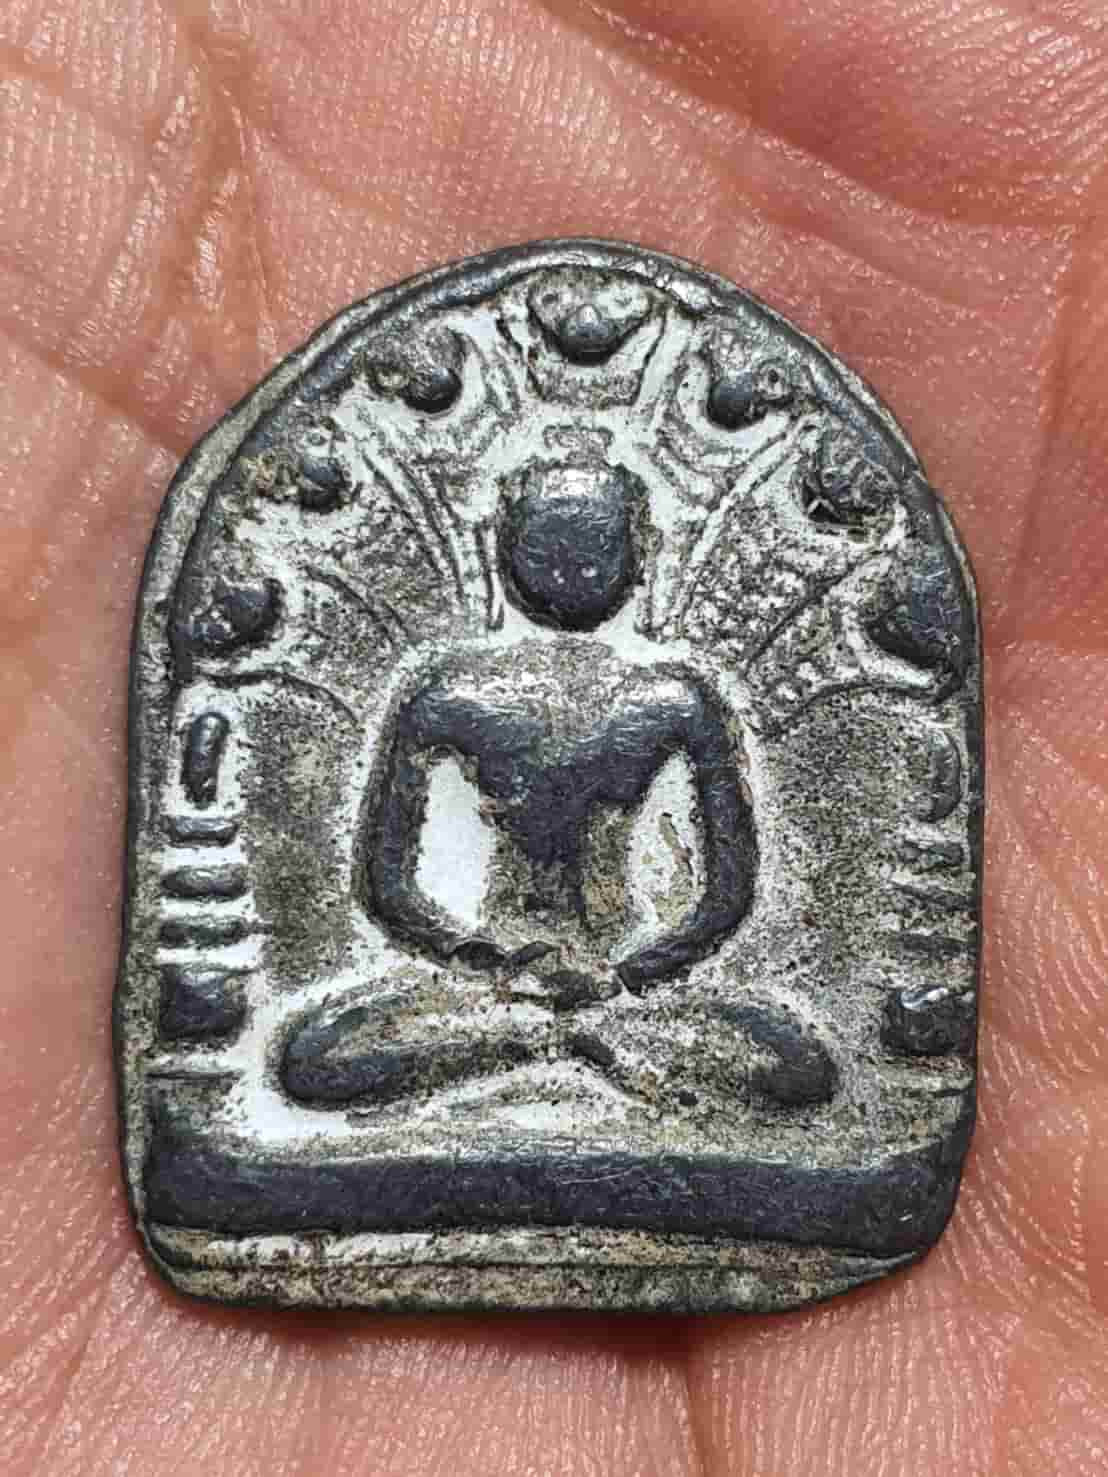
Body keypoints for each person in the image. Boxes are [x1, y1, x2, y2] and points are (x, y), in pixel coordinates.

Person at [3, 2, 1106, 1473]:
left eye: (594, 541)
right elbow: (393, 888)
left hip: (642, 1001)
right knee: (319, 1056)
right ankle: (545, 1090)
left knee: (790, 1065)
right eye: (547, 536)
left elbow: (722, 897)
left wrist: (631, 973)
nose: (568, 560)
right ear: (509, 545)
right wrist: (483, 964)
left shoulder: (675, 698)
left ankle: (576, 1086)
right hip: (471, 999)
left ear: (631, 556)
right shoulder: (450, 691)